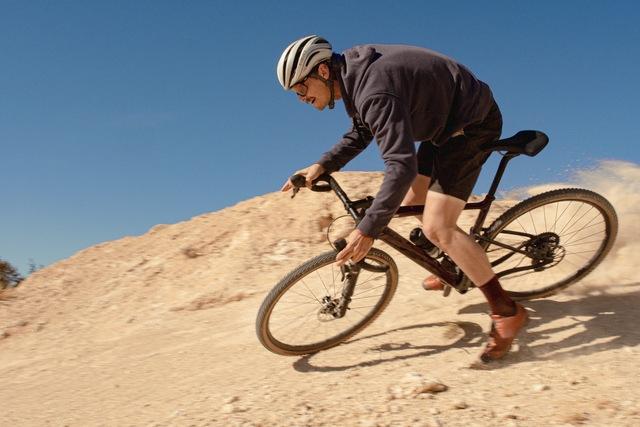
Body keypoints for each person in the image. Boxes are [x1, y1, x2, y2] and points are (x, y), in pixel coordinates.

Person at [277, 35, 527, 362]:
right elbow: (363, 130)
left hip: (470, 126)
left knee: (438, 227)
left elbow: (401, 166)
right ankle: (454, 261)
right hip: (443, 125)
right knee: (412, 202)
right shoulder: (354, 76)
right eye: (295, 94)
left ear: (322, 71)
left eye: (301, 88)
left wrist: (368, 230)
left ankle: (506, 310)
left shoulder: (372, 89)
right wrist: (323, 165)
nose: (301, 98)